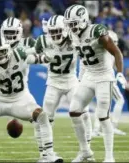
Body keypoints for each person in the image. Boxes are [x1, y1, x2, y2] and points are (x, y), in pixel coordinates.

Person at [64, 4, 126, 162]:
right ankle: (85, 151)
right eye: (69, 24)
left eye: (74, 23)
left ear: (84, 20)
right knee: (74, 110)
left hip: (104, 76)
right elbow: (83, 58)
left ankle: (109, 157)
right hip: (89, 76)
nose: (71, 27)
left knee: (102, 116)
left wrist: (119, 73)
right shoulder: (73, 35)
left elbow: (116, 52)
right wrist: (81, 76)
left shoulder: (96, 31)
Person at [35, 15, 92, 160]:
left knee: (82, 113)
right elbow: (32, 55)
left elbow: (87, 54)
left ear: (66, 29)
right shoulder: (43, 40)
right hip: (53, 81)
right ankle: (45, 154)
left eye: (58, 31)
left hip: (71, 80)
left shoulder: (74, 39)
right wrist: (41, 59)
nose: (54, 35)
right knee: (44, 117)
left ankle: (86, 149)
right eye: (52, 31)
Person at [92, 30, 126, 136]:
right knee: (119, 100)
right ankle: (112, 126)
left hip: (98, 79)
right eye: (114, 41)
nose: (115, 44)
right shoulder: (108, 52)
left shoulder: (100, 51)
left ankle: (96, 129)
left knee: (101, 104)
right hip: (106, 80)